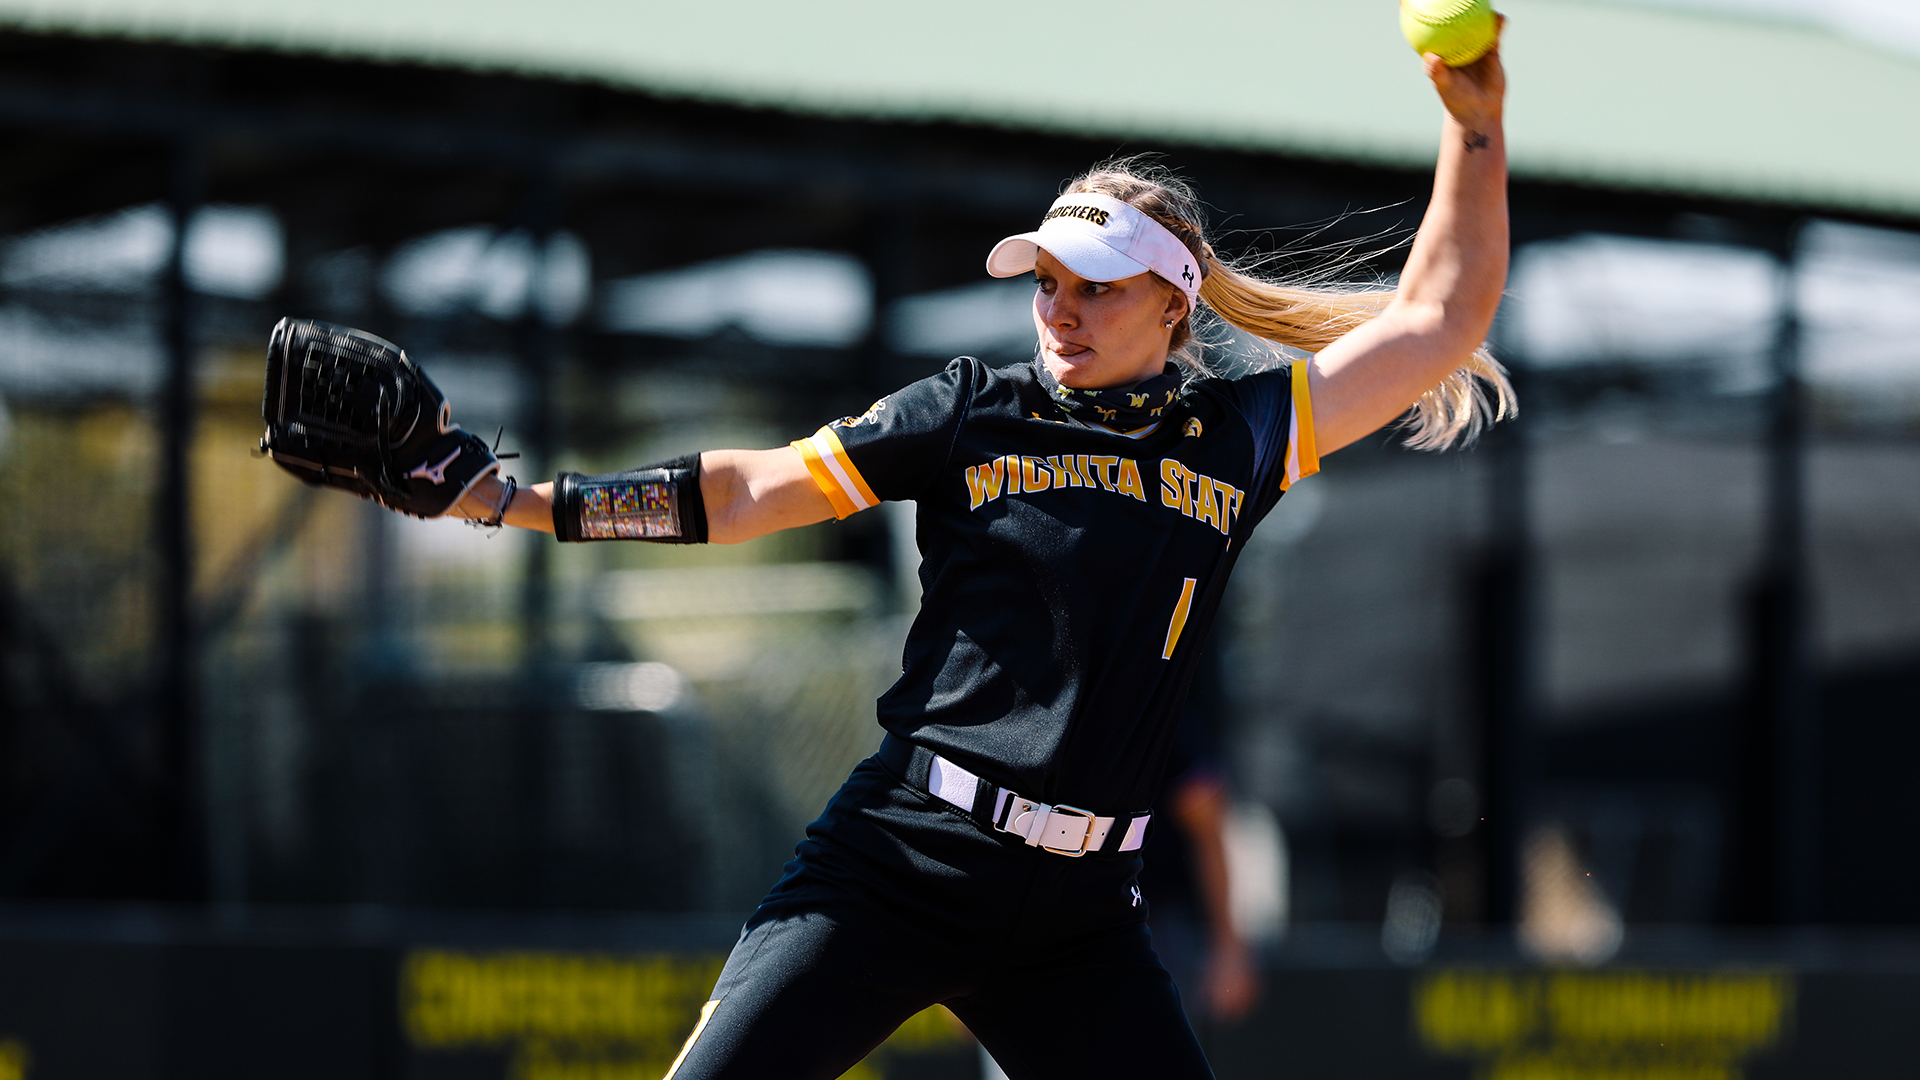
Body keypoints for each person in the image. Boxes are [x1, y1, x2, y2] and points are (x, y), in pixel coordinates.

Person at [440, 34, 1510, 1080]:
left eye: (1097, 286)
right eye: (1046, 280)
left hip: (1081, 919)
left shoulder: (1234, 439)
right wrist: (515, 500)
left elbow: (1440, 316)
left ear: (1174, 304)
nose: (1060, 309)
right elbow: (748, 489)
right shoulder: (968, 411)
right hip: (907, 855)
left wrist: (1475, 129)